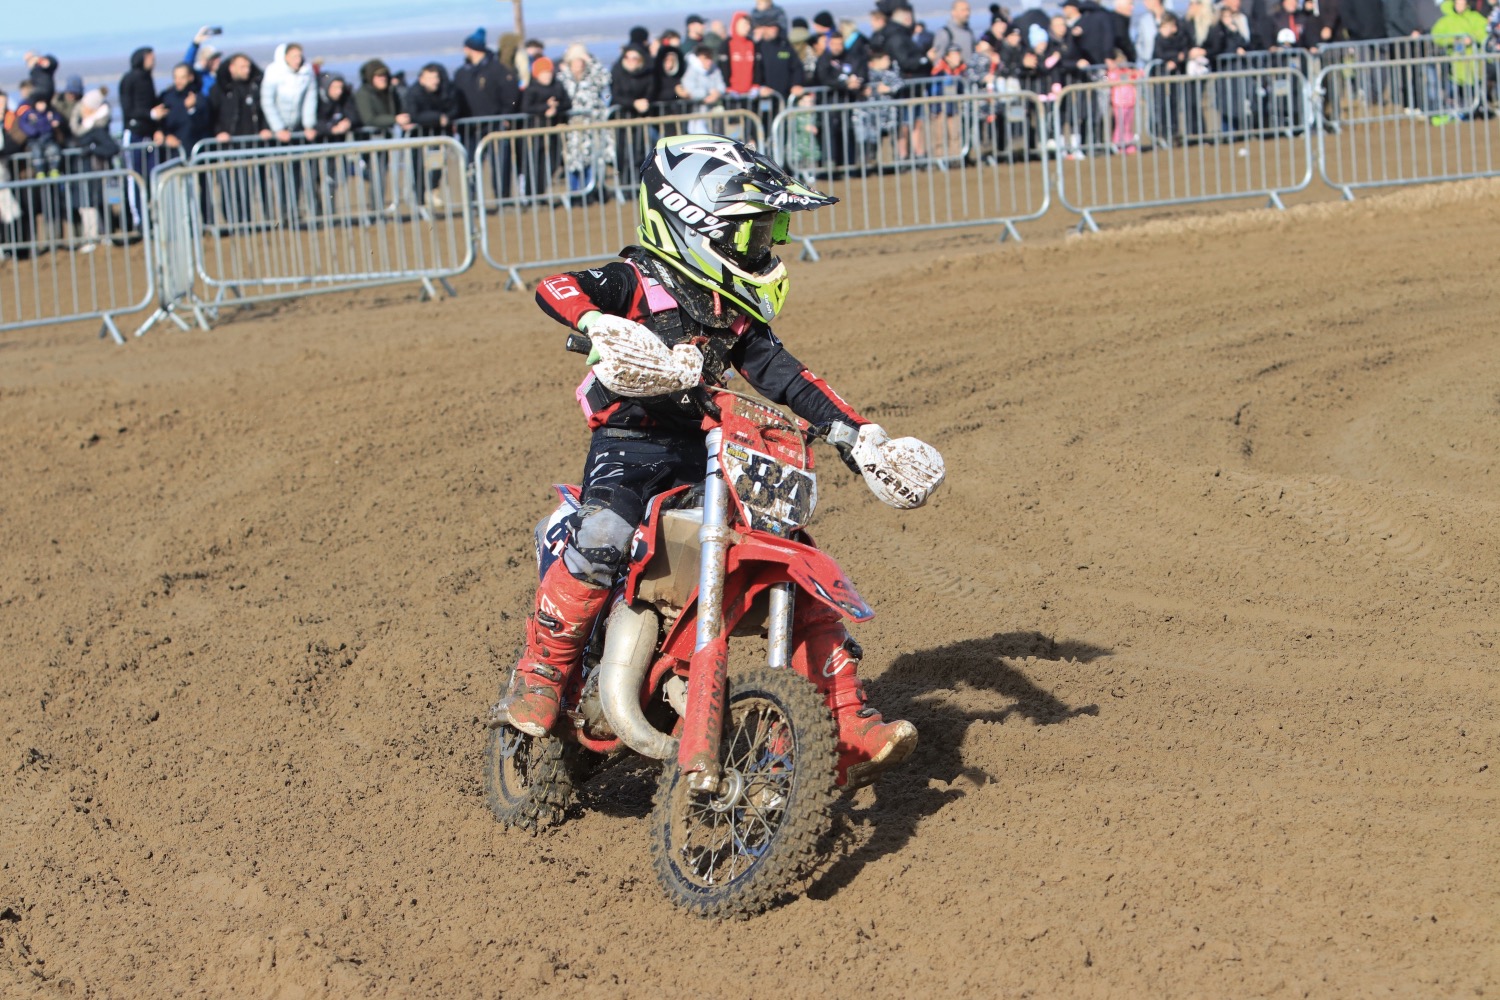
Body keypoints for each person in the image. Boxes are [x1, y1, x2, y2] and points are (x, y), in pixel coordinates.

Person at [508, 135, 945, 789]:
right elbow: (557, 286)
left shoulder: (732, 313)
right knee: (602, 534)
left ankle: (846, 716)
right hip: (632, 445)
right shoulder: (636, 281)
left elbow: (789, 378)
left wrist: (862, 438)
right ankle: (543, 672)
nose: (764, 246)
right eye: (750, 233)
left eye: (769, 232)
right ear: (692, 225)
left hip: (713, 450)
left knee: (795, 554)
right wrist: (597, 322)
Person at [453, 28, 522, 200]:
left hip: (495, 126)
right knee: (469, 166)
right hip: (469, 128)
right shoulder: (461, 73)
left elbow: (513, 96)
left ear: (471, 48)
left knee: (500, 165)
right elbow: (455, 99)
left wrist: (507, 115)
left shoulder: (498, 70)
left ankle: (503, 199)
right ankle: (471, 200)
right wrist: (455, 118)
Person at [559, 44, 614, 198]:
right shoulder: (563, 78)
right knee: (574, 160)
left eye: (581, 60)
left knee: (595, 157)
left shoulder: (593, 75)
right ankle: (576, 192)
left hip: (593, 124)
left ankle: (594, 189)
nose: (579, 64)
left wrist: (591, 61)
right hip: (573, 126)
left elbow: (606, 78)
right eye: (575, 60)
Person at [519, 57, 569, 196]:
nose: (547, 76)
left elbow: (567, 103)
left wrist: (556, 108)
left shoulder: (557, 86)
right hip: (535, 132)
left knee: (553, 162)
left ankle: (542, 191)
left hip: (553, 132)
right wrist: (545, 107)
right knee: (534, 163)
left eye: (549, 72)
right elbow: (526, 108)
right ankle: (532, 194)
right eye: (543, 73)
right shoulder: (532, 88)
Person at [260, 43, 318, 144]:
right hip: (273, 129)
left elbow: (310, 100)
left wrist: (308, 125)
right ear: (286, 57)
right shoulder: (273, 72)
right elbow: (268, 102)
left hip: (297, 127)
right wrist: (278, 128)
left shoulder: (307, 72)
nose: (298, 60)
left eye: (299, 56)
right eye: (294, 57)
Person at [156, 62, 213, 159]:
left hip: (196, 153)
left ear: (191, 77)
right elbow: (164, 122)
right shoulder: (166, 97)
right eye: (176, 77)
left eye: (182, 77)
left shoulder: (200, 98)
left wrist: (191, 109)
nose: (178, 81)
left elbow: (205, 123)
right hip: (172, 154)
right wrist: (164, 135)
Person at [681, 44, 728, 132]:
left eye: (710, 58)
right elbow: (690, 91)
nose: (709, 61)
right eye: (706, 58)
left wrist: (717, 94)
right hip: (696, 113)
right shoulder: (690, 71)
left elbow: (721, 86)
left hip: (713, 112)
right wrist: (708, 93)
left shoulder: (714, 69)